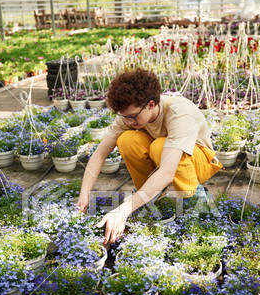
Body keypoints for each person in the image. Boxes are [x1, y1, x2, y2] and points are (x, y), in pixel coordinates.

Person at [76, 68, 222, 244]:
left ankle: (196, 200)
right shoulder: (129, 115)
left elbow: (167, 171)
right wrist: (84, 193)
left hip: (198, 163)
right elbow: (100, 154)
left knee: (160, 147)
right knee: (127, 140)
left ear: (151, 104)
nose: (128, 121)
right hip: (162, 159)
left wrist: (124, 209)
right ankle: (152, 194)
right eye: (124, 117)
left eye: (132, 117)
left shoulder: (179, 112)